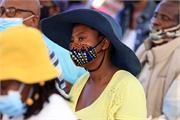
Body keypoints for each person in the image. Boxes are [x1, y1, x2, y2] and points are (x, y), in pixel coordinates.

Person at [41, 8, 147, 120]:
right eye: (72, 41)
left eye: (81, 38)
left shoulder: (127, 86)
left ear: (104, 43)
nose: (74, 46)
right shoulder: (80, 83)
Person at [0, 0, 86, 92]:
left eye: (11, 11)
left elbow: (55, 93)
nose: (3, 17)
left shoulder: (45, 53)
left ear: (33, 20)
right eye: (1, 10)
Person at [0, 26, 77, 120]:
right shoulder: (21, 109)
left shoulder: (55, 115)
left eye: (3, 87)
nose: (1, 94)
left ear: (32, 79)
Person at [136, 0, 180, 119]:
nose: (155, 21)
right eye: (155, 15)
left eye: (165, 18)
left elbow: (174, 115)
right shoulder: (145, 46)